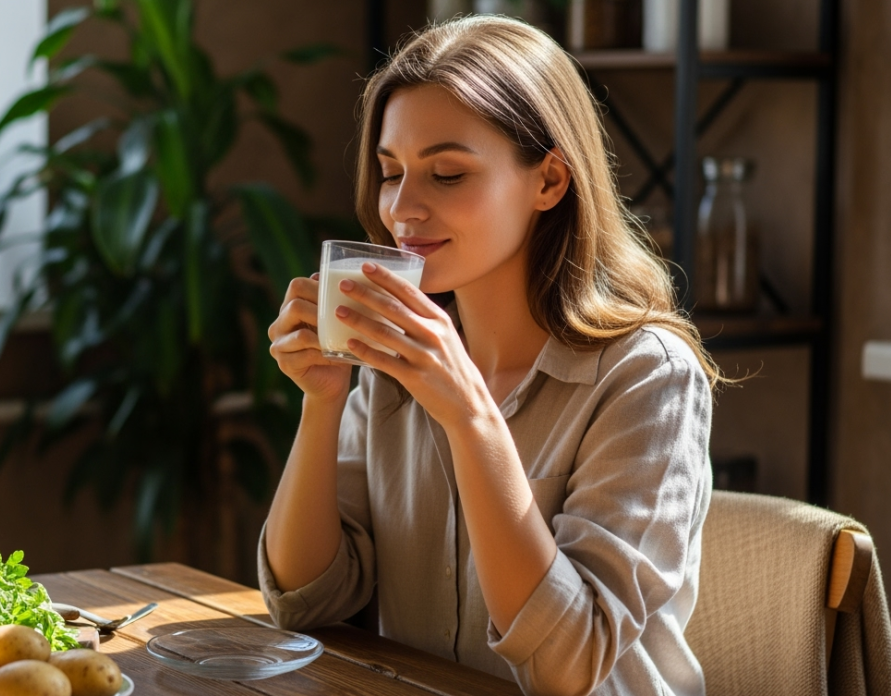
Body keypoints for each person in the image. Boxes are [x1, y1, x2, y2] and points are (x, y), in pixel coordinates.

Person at [260, 14, 721, 696]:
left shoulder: (648, 377)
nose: (402, 209)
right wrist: (322, 400)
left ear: (549, 181)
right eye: (391, 173)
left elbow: (569, 666)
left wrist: (471, 418)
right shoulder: (394, 365)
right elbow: (306, 604)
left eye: (447, 174)